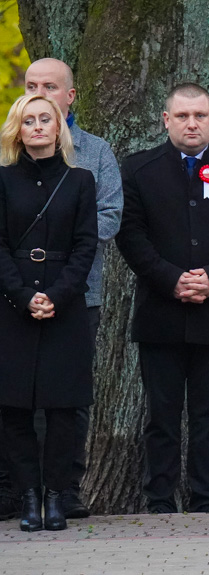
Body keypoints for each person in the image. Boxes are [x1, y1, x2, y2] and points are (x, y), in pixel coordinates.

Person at [0, 58, 124, 522]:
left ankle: (61, 494)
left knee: (64, 403)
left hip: (70, 298)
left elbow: (90, 236)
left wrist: (58, 292)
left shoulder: (85, 171)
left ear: (64, 112)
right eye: (28, 112)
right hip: (13, 301)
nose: (37, 121)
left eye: (47, 101)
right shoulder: (4, 173)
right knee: (14, 403)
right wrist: (20, 293)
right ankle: (25, 495)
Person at [115, 83, 209, 515]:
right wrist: (172, 279)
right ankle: (160, 501)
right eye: (183, 116)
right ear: (166, 119)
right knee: (161, 416)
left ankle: (207, 501)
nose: (192, 123)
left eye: (200, 116)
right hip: (161, 311)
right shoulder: (138, 169)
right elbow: (130, 235)